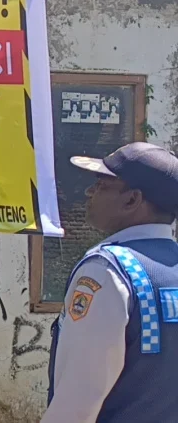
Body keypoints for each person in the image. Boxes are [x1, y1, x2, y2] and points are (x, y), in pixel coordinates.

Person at [43, 142, 178, 423]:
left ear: (132, 200)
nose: (89, 192)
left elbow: (77, 405)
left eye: (102, 185)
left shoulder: (106, 272)